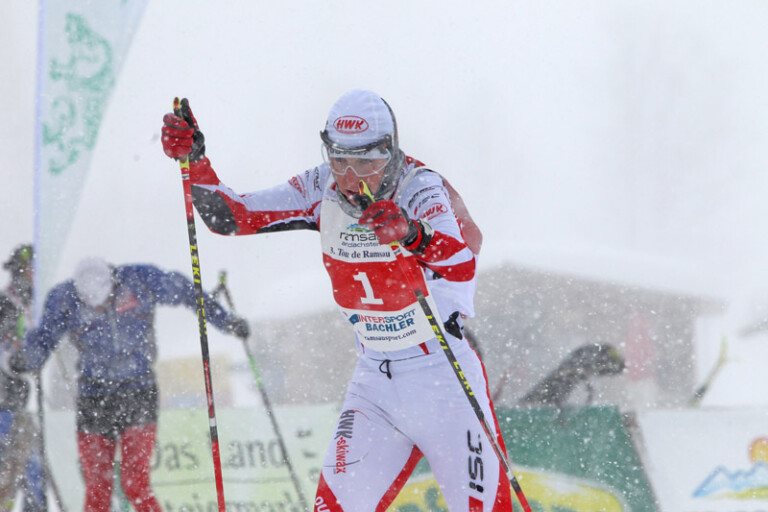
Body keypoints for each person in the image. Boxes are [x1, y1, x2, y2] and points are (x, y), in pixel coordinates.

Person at [161, 89, 513, 511]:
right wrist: (195, 162)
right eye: (339, 159)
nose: (350, 177)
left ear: (390, 151)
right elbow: (231, 215)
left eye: (365, 162)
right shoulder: (320, 186)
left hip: (443, 377)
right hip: (376, 383)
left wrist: (412, 233)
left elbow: (461, 262)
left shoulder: (419, 187)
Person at [7, 258, 250, 512]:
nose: (98, 308)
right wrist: (26, 359)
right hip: (94, 398)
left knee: (136, 484)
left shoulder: (139, 280)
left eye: (103, 302)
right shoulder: (65, 298)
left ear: (112, 284)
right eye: (90, 305)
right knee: (97, 488)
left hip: (138, 393)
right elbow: (44, 337)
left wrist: (226, 321)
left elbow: (187, 291)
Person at [0, 244, 47, 512]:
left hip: (19, 404)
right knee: (11, 473)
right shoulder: (6, 304)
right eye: (32, 269)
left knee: (33, 476)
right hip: (4, 406)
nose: (36, 275)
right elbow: (7, 353)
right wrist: (21, 360)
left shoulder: (34, 307)